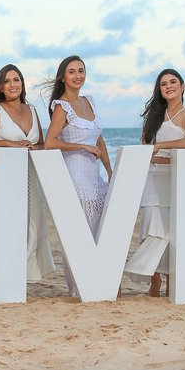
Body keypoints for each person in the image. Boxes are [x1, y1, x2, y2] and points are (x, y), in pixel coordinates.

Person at [0, 63, 55, 282]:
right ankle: (5, 276)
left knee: (32, 223)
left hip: (29, 176)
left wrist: (34, 146)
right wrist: (7, 143)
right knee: (5, 224)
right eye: (6, 81)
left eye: (16, 79)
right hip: (3, 177)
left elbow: (43, 144)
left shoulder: (32, 110)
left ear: (22, 83)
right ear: (0, 87)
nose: (12, 84)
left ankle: (21, 275)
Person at [124, 68, 185, 296]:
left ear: (182, 87)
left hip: (175, 179)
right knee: (151, 230)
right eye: (164, 84)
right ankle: (154, 284)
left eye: (173, 82)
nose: (169, 87)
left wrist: (160, 146)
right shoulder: (154, 118)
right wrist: (154, 150)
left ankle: (171, 284)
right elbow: (145, 150)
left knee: (171, 234)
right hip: (152, 177)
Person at [43, 55, 111, 298]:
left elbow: (99, 139)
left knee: (100, 229)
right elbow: (50, 142)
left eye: (81, 70)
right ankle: (80, 286)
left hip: (96, 177)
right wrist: (81, 146)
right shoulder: (62, 107)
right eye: (71, 71)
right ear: (63, 77)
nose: (77, 75)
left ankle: (99, 281)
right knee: (81, 232)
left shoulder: (88, 101)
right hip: (76, 176)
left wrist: (111, 171)